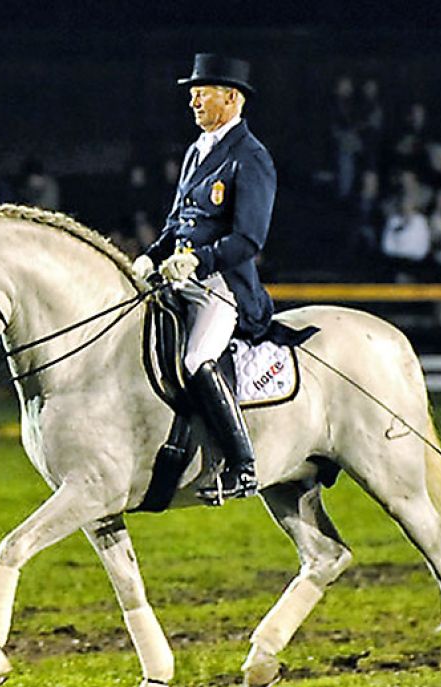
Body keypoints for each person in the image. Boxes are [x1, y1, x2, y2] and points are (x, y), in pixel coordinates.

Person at [131, 53, 276, 505]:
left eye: (202, 92)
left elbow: (249, 239)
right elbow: (177, 222)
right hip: (181, 275)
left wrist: (199, 261)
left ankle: (242, 464)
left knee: (196, 359)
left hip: (222, 285)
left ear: (231, 98)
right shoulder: (198, 149)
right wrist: (150, 257)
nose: (192, 100)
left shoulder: (251, 157)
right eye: (192, 93)